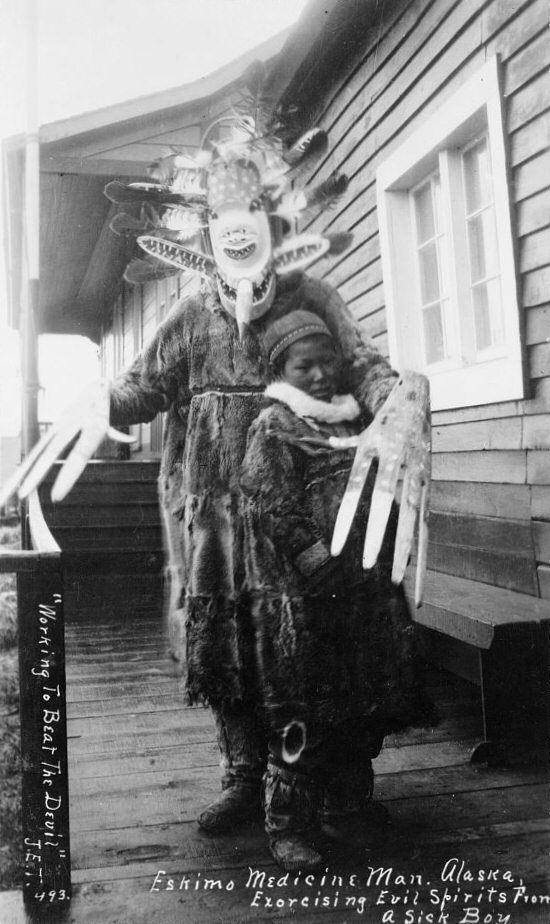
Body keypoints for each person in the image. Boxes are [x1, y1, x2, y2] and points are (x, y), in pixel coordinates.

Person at [1, 113, 430, 841]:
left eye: (252, 216)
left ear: (274, 217)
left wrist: (408, 398)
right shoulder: (189, 315)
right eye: (223, 220)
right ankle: (244, 778)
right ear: (205, 231)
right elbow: (141, 388)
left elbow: (369, 371)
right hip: (215, 525)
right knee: (230, 650)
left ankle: (339, 786)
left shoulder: (314, 298)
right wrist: (97, 397)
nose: (238, 233)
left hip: (308, 516)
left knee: (324, 646)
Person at [240, 310, 433, 871]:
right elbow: (268, 500)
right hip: (308, 593)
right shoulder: (275, 425)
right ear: (283, 370)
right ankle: (289, 823)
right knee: (307, 707)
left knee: (363, 701)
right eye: (307, 365)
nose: (322, 375)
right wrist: (311, 555)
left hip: (366, 587)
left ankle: (349, 805)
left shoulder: (359, 421)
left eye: (329, 362)